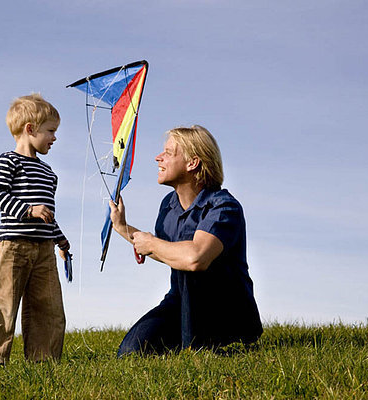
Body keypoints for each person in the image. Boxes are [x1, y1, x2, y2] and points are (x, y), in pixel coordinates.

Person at [109, 125, 263, 355]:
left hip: (225, 309)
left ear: (193, 163)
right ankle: (190, 345)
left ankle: (212, 348)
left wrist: (151, 244)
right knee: (131, 352)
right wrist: (123, 229)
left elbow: (195, 259)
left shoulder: (223, 207)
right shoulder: (167, 206)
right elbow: (169, 252)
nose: (158, 157)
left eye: (168, 153)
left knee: (192, 270)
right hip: (180, 302)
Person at [0, 93, 70, 367]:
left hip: (45, 251)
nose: (54, 138)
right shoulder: (8, 161)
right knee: (3, 303)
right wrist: (29, 210)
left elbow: (48, 215)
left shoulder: (49, 173)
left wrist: (61, 241)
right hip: (14, 246)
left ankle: (44, 361)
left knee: (48, 307)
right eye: (51, 131)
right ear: (30, 129)